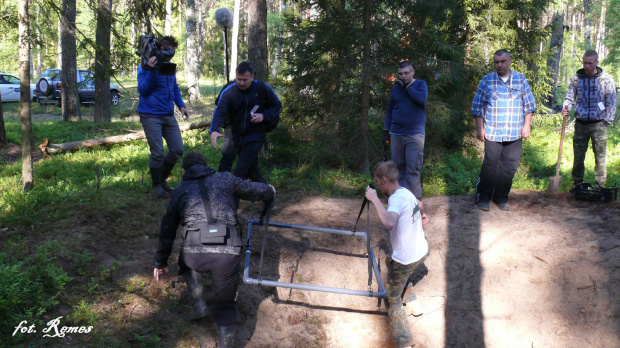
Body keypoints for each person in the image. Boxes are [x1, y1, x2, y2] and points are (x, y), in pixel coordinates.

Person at [153, 152, 275, 348]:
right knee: (225, 305)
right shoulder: (225, 178)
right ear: (205, 165)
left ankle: (199, 302)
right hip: (227, 252)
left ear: (184, 170)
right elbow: (253, 189)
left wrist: (160, 261)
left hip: (194, 252)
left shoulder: (180, 189)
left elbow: (167, 228)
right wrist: (270, 189)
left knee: (184, 264)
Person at [365, 161, 429, 348]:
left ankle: (405, 341)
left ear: (384, 180)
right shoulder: (405, 192)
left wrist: (374, 199)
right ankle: (413, 304)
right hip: (421, 252)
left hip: (407, 258)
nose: (377, 185)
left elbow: (389, 223)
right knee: (391, 265)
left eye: (378, 181)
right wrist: (423, 215)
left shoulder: (395, 200)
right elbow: (420, 204)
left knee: (391, 298)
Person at [471, 49, 536, 211]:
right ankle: (483, 197)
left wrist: (527, 125)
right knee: (489, 166)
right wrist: (480, 128)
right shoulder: (487, 81)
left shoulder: (520, 80)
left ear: (510, 61)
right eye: (496, 62)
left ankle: (501, 197)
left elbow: (529, 105)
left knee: (509, 167)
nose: (499, 65)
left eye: (503, 61)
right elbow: (478, 106)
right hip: (493, 132)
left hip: (514, 132)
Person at [209, 61, 282, 185]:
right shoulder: (229, 91)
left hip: (255, 136)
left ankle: (231, 203)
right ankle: (268, 199)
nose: (241, 83)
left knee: (240, 171)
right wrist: (214, 130)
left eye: (245, 80)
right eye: (239, 79)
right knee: (252, 172)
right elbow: (220, 110)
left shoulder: (262, 88)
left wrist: (264, 115)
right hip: (236, 135)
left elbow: (277, 105)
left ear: (252, 77)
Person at [137, 36, 189, 199]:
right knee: (158, 153)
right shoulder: (146, 65)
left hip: (168, 114)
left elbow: (173, 86)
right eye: (168, 52)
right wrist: (152, 71)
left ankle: (162, 178)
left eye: (172, 52)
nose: (170, 56)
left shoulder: (169, 66)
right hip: (150, 115)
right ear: (161, 49)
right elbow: (143, 90)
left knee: (177, 149)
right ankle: (157, 185)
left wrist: (181, 105)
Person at [562, 50, 617, 190]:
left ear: (597, 63)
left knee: (600, 157)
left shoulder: (606, 79)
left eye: (590, 63)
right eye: (584, 63)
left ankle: (600, 186)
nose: (586, 66)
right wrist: (566, 107)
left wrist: (607, 122)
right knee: (578, 156)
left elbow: (612, 102)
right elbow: (569, 97)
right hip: (580, 124)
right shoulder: (576, 79)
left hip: (599, 124)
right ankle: (578, 184)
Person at [383, 61, 428, 200]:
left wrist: (407, 87)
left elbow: (421, 99)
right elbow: (390, 110)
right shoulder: (396, 89)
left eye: (406, 73)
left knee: (413, 170)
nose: (403, 76)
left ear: (413, 72)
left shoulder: (420, 84)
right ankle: (400, 202)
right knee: (397, 170)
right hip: (396, 134)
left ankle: (415, 205)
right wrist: (386, 130)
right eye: (400, 74)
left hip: (415, 135)